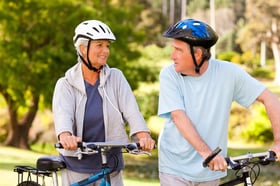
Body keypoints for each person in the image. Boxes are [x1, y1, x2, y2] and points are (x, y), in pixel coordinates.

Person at [157, 18, 280, 186]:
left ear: (197, 54)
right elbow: (178, 116)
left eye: (178, 50)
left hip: (211, 170)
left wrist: (279, 143)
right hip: (175, 168)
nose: (172, 56)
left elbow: (270, 98)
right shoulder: (169, 75)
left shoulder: (228, 73)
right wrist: (208, 153)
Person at [52, 20, 155, 186]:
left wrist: (143, 136)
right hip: (76, 166)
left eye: (107, 46)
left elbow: (131, 111)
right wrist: (66, 136)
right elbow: (63, 115)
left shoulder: (116, 78)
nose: (105, 51)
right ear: (83, 48)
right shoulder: (66, 84)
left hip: (111, 164)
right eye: (99, 45)